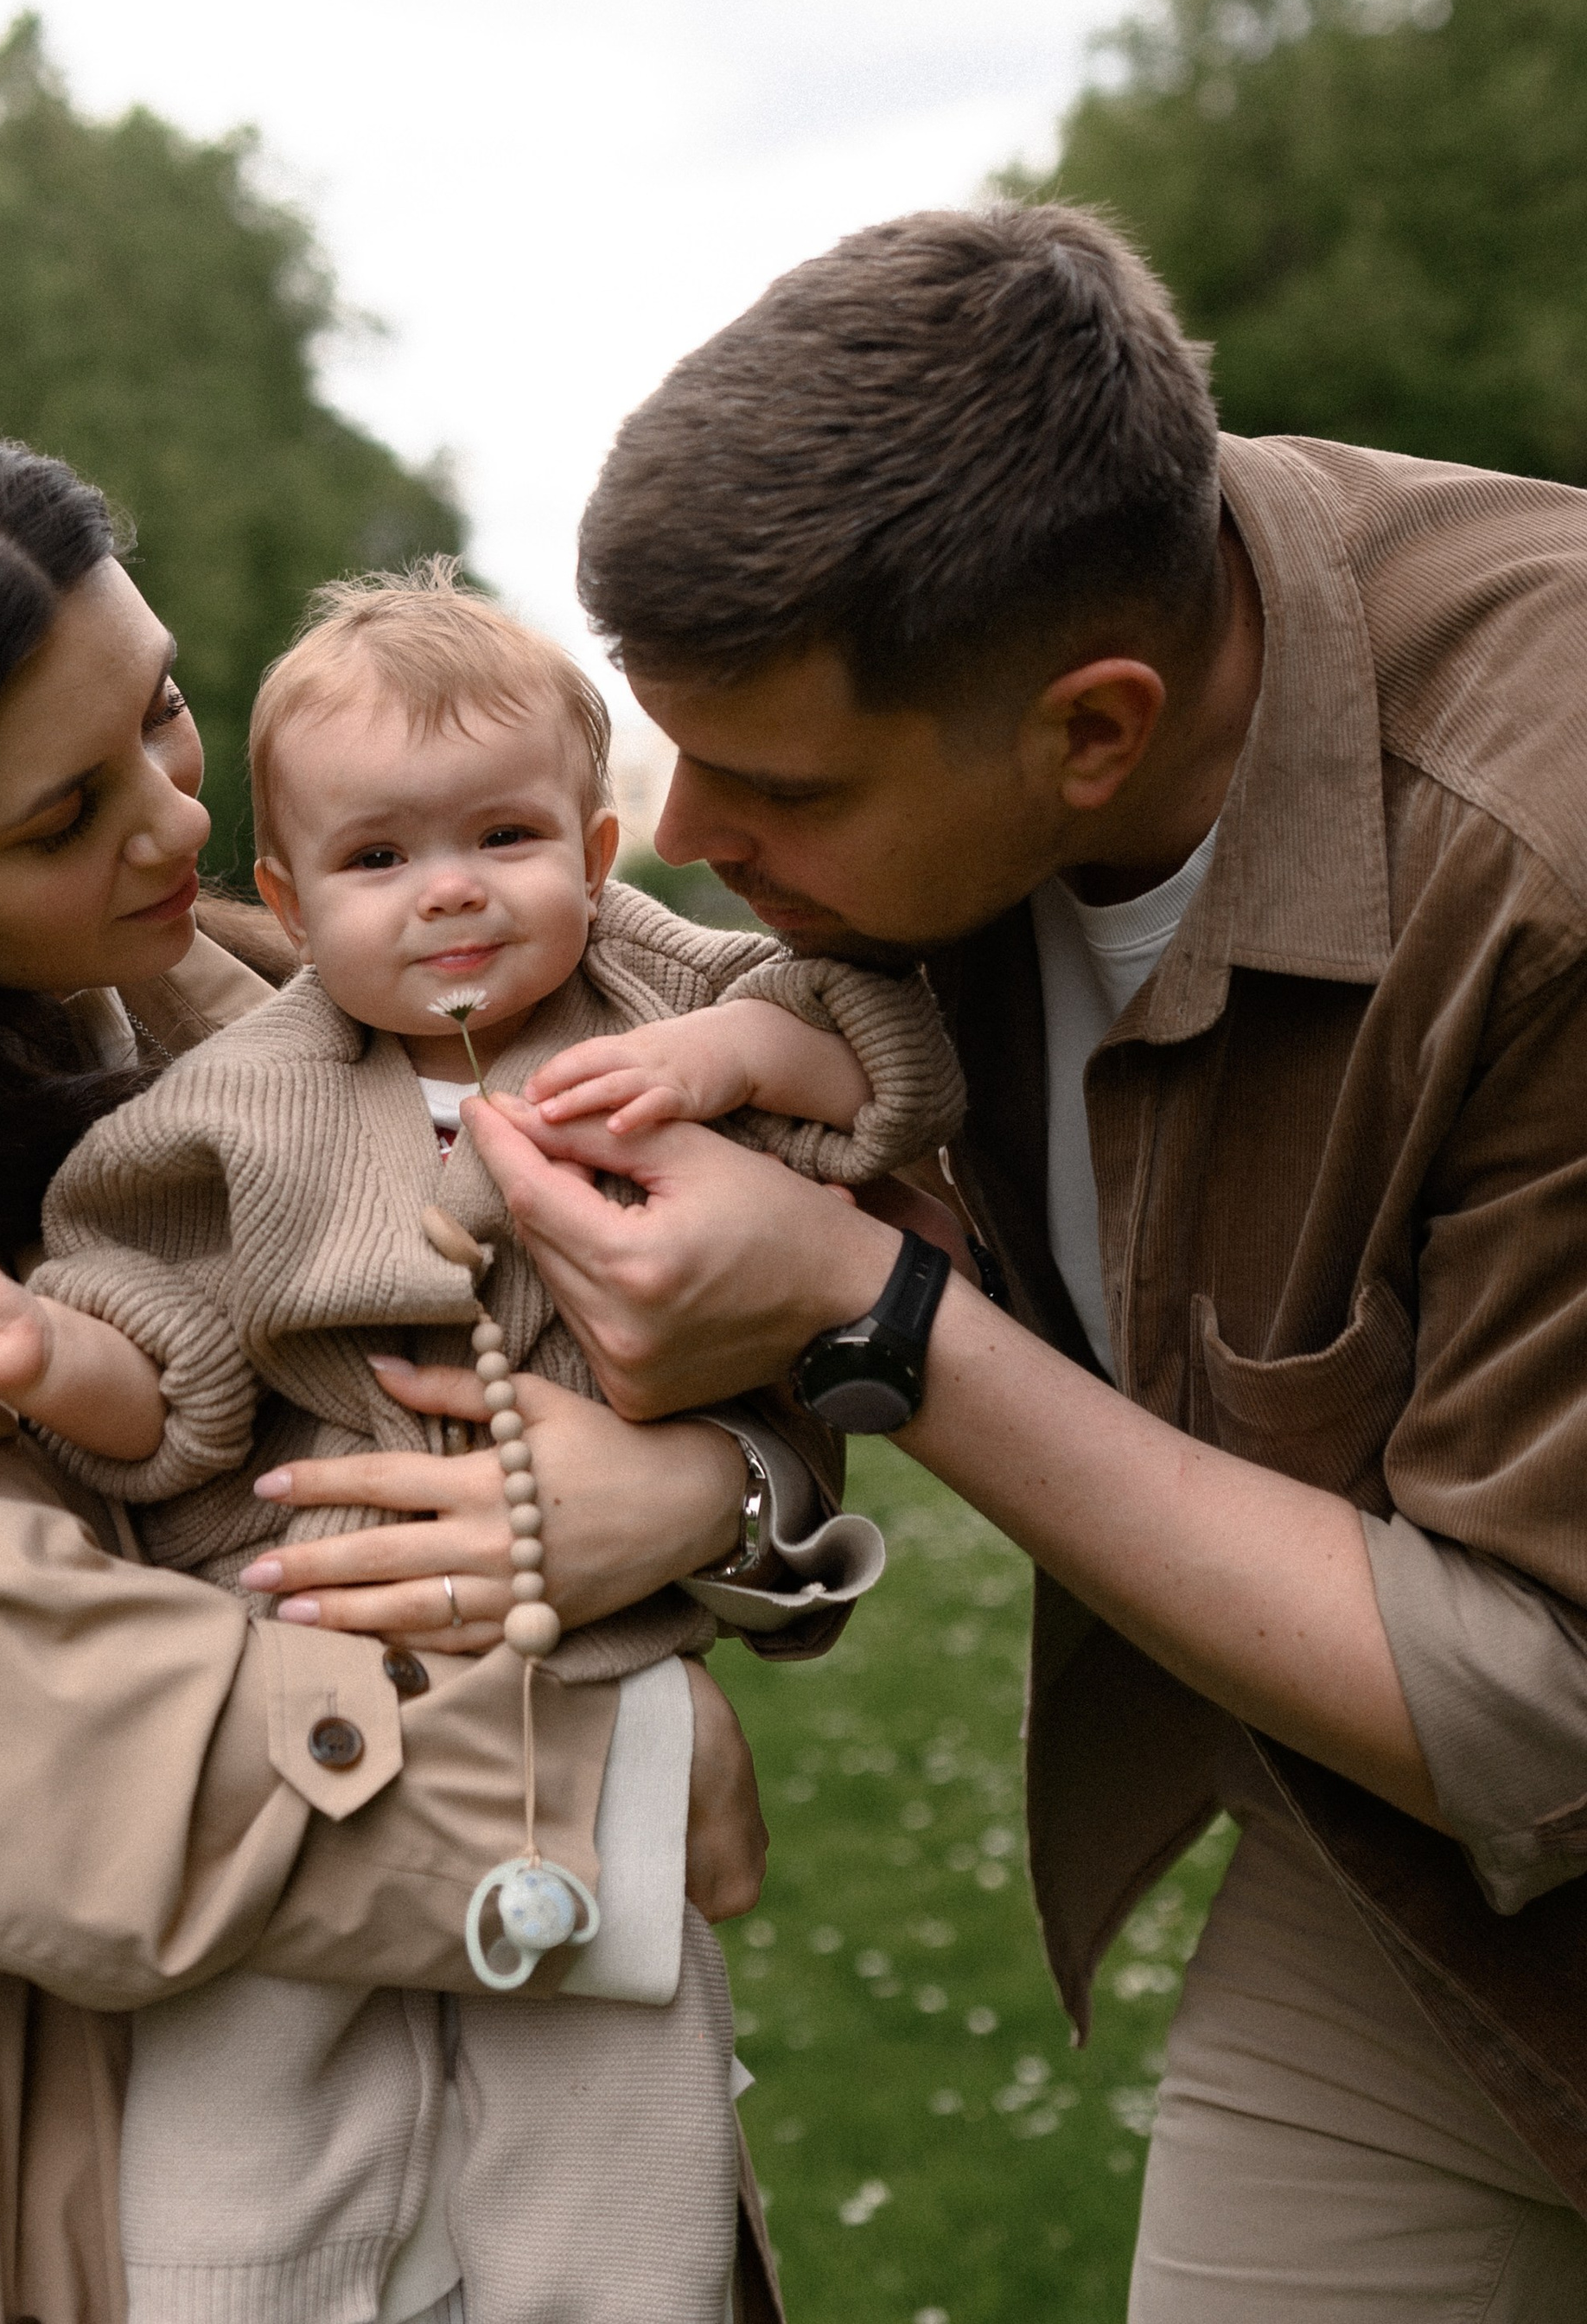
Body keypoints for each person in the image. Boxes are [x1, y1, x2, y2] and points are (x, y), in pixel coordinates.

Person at [0, 414, 823, 2324]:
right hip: (10, 2169)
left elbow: (717, 1307)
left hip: (492, 2138)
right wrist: (598, 1791)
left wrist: (714, 1490)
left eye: (158, 712)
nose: (174, 823)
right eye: (60, 816)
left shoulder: (277, 1005)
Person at [458, 206, 1587, 2324]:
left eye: (772, 779)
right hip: (1410, 1902)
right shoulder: (1013, 683)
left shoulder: (1540, 857)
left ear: (1093, 727)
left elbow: (1545, 1698)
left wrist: (872, 1321)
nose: (685, 829)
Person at [0, 564, 954, 2323]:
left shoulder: (649, 985)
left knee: (608, 2088)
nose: (448, 890)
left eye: (502, 835)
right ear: (287, 894)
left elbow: (876, 1046)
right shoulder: (235, 1098)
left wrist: (731, 1046)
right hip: (308, 1663)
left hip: (581, 1656)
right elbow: (177, 1363)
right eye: (374, 860)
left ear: (594, 852)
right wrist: (42, 1349)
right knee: (249, 2088)